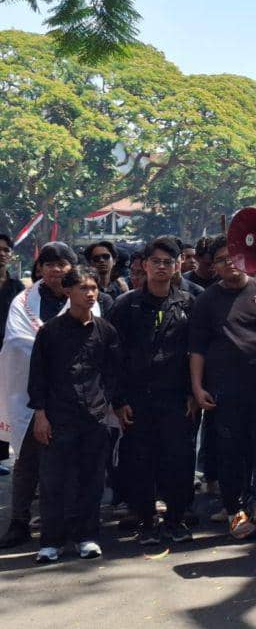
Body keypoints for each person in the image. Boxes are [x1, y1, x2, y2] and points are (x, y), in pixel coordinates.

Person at [189, 235, 256, 539]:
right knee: (230, 454)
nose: (229, 264)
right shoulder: (206, 301)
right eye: (221, 260)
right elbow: (196, 349)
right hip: (225, 391)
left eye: (234, 257)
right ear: (213, 266)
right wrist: (197, 388)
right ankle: (235, 511)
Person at [0, 242, 107, 549]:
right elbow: (18, 342)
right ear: (40, 269)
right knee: (27, 461)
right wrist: (49, 344)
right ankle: (19, 523)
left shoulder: (90, 300)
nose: (56, 270)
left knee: (71, 467)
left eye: (63, 264)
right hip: (31, 395)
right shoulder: (22, 301)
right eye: (49, 264)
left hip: (76, 400)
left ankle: (73, 529)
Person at [28, 265, 121, 562]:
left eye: (94, 288)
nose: (91, 294)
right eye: (83, 288)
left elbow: (115, 372)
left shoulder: (105, 331)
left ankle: (87, 537)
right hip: (57, 417)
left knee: (91, 480)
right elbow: (38, 376)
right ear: (68, 291)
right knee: (53, 480)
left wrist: (107, 403)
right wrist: (40, 414)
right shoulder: (50, 332)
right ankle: (51, 542)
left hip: (94, 417)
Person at [109, 237, 199, 545]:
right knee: (140, 461)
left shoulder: (188, 303)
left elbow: (196, 352)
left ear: (176, 268)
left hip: (176, 398)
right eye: (156, 262)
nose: (161, 267)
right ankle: (146, 522)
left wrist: (193, 393)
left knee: (179, 459)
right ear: (144, 265)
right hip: (137, 399)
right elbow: (113, 357)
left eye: (168, 262)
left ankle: (175, 520)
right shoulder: (126, 305)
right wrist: (118, 401)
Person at [0, 233, 24, 473]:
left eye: (5, 249)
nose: (1, 253)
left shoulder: (17, 287)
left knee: (3, 404)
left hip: (7, 354)